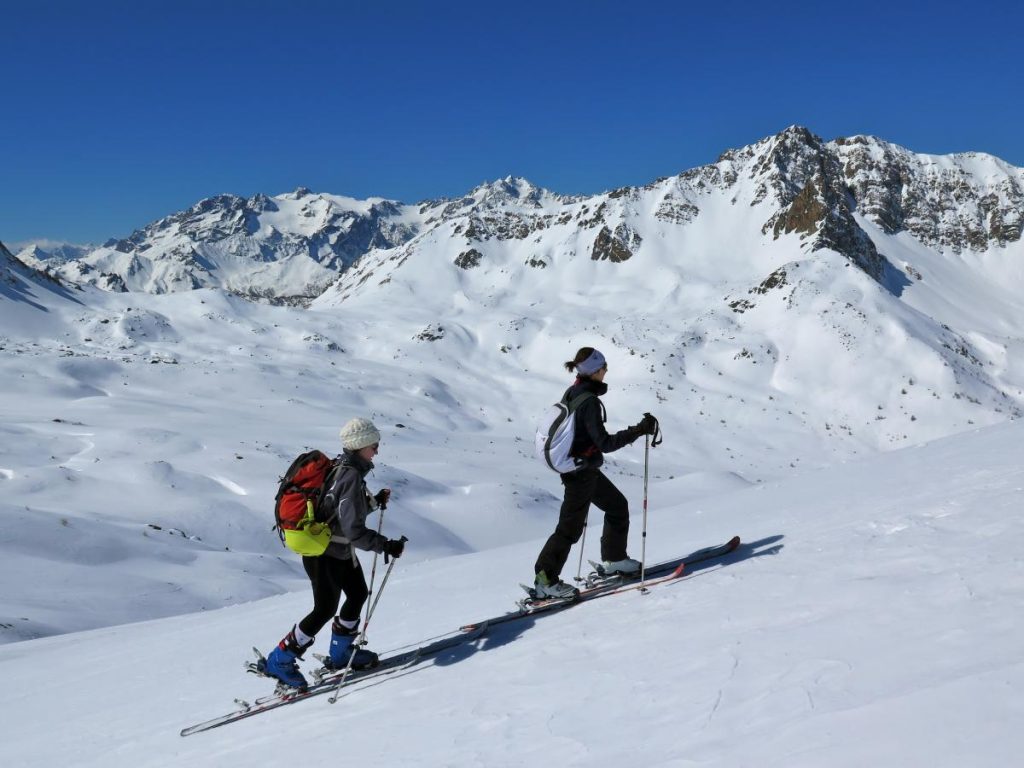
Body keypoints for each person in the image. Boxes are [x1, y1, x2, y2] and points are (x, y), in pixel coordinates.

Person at [261, 418, 407, 690]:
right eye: (373, 444)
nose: (376, 449)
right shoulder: (350, 474)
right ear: (361, 445)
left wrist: (373, 502)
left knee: (358, 594)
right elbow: (352, 528)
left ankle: (340, 655)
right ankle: (280, 659)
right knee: (325, 608)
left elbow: (339, 512)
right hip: (325, 553)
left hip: (336, 549)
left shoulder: (344, 468)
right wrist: (385, 545)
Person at [533, 347, 658, 599]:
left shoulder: (574, 391)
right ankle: (545, 579)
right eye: (604, 368)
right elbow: (605, 443)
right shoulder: (589, 401)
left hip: (581, 466)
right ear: (596, 371)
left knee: (616, 506)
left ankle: (614, 559)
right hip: (580, 472)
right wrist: (638, 430)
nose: (606, 372)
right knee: (569, 529)